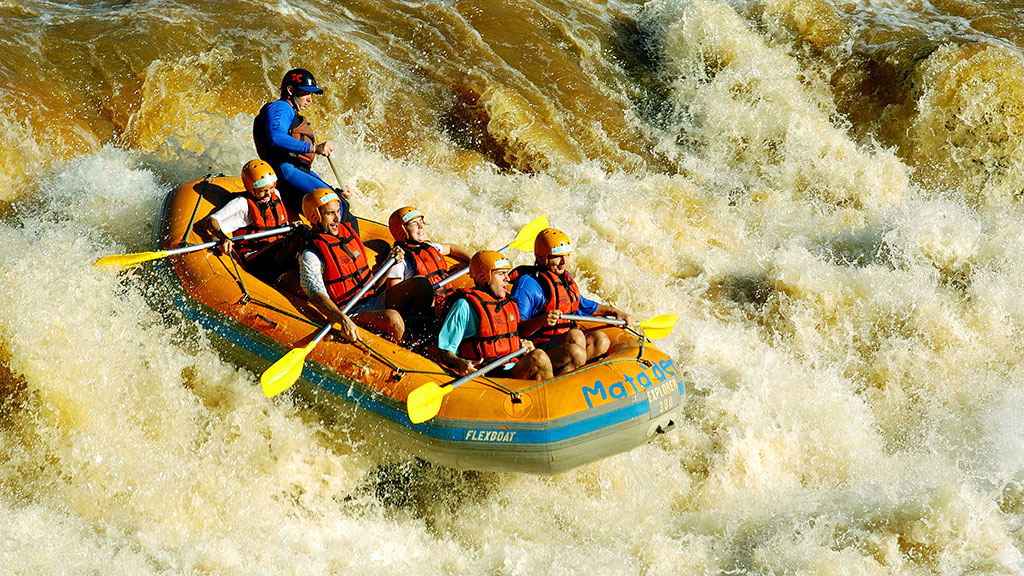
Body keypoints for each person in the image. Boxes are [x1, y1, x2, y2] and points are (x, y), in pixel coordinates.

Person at [298, 188, 434, 343]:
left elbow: (375, 285)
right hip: (350, 311)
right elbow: (316, 295)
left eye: (338, 211)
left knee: (421, 284)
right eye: (330, 213)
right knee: (393, 319)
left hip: (372, 298)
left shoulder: (347, 233)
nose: (337, 218)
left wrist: (389, 262)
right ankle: (407, 349)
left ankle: (421, 338)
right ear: (315, 216)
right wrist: (343, 320)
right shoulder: (312, 254)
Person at [511, 228, 633, 375]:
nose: (564, 262)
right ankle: (558, 384)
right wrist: (542, 320)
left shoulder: (563, 278)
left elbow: (583, 305)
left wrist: (615, 312)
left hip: (564, 341)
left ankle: (570, 376)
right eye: (558, 257)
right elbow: (517, 329)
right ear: (542, 257)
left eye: (567, 255)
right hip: (537, 348)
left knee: (601, 340)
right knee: (576, 343)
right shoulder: (527, 285)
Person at [434, 250, 552, 380]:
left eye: (507, 273)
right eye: (501, 274)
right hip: (488, 376)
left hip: (510, 367)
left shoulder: (508, 303)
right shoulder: (464, 306)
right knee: (539, 357)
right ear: (483, 277)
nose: (507, 278)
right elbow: (445, 351)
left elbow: (507, 337)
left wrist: (522, 344)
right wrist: (461, 363)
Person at [253, 67, 344, 214]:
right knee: (334, 203)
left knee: (340, 199)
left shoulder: (290, 112)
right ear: (290, 90)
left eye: (311, 94)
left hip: (296, 170)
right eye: (305, 93)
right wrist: (314, 148)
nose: (310, 99)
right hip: (286, 172)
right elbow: (276, 137)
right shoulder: (281, 107)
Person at [195, 159, 302, 284]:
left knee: (303, 236)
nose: (268, 194)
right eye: (262, 190)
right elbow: (211, 220)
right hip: (254, 256)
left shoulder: (276, 194)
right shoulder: (242, 203)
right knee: (284, 244)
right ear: (251, 189)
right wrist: (223, 238)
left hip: (274, 249)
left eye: (270, 188)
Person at [385, 206, 472, 306]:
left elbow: (451, 248)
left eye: (421, 221)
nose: (421, 226)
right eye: (414, 223)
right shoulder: (399, 260)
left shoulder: (430, 247)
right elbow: (394, 297)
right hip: (425, 308)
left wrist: (472, 260)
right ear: (401, 230)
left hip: (445, 299)